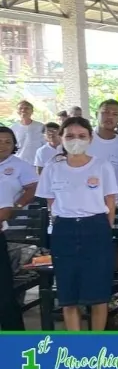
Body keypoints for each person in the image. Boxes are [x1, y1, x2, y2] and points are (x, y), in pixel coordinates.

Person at [36, 117, 118, 331]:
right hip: (64, 231)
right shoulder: (52, 167)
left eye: (82, 136)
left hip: (96, 229)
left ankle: (95, 342)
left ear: (90, 138)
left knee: (99, 292)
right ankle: (76, 345)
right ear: (61, 138)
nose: (76, 140)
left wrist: (105, 228)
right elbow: (50, 201)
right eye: (70, 136)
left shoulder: (102, 165)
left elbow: (110, 201)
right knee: (68, 293)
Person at [0, 125, 39, 330]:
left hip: (5, 227)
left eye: (8, 141)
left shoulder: (20, 165)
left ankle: (13, 336)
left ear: (14, 144)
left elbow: (32, 188)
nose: (3, 145)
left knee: (4, 290)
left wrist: (16, 206)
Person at [88, 99, 118, 188]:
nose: (110, 117)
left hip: (111, 199)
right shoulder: (85, 140)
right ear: (97, 115)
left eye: (115, 114)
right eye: (105, 113)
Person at [12, 100, 44, 164]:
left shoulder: (41, 127)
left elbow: (45, 145)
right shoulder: (13, 128)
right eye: (20, 108)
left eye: (26, 108)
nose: (23, 110)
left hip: (36, 163)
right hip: (18, 163)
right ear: (17, 111)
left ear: (32, 111)